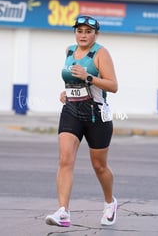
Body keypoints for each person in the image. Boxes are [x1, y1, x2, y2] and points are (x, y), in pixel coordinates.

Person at [45, 15, 118, 227]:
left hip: (96, 115)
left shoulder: (101, 53)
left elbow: (113, 86)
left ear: (96, 34)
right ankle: (63, 212)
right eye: (79, 31)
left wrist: (89, 77)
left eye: (88, 31)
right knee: (65, 159)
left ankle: (109, 202)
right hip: (71, 111)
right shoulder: (69, 50)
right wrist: (66, 92)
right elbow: (72, 80)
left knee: (99, 166)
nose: (83, 35)